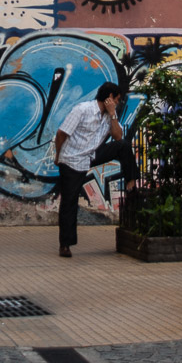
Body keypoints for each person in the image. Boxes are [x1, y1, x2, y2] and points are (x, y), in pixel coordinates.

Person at [53, 82, 137, 258]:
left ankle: (131, 182)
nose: (118, 103)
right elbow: (61, 133)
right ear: (109, 98)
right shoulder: (82, 109)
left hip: (91, 155)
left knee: (123, 145)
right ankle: (65, 245)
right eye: (117, 100)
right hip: (72, 160)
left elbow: (118, 136)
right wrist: (58, 156)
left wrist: (113, 115)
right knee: (69, 201)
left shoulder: (109, 116)